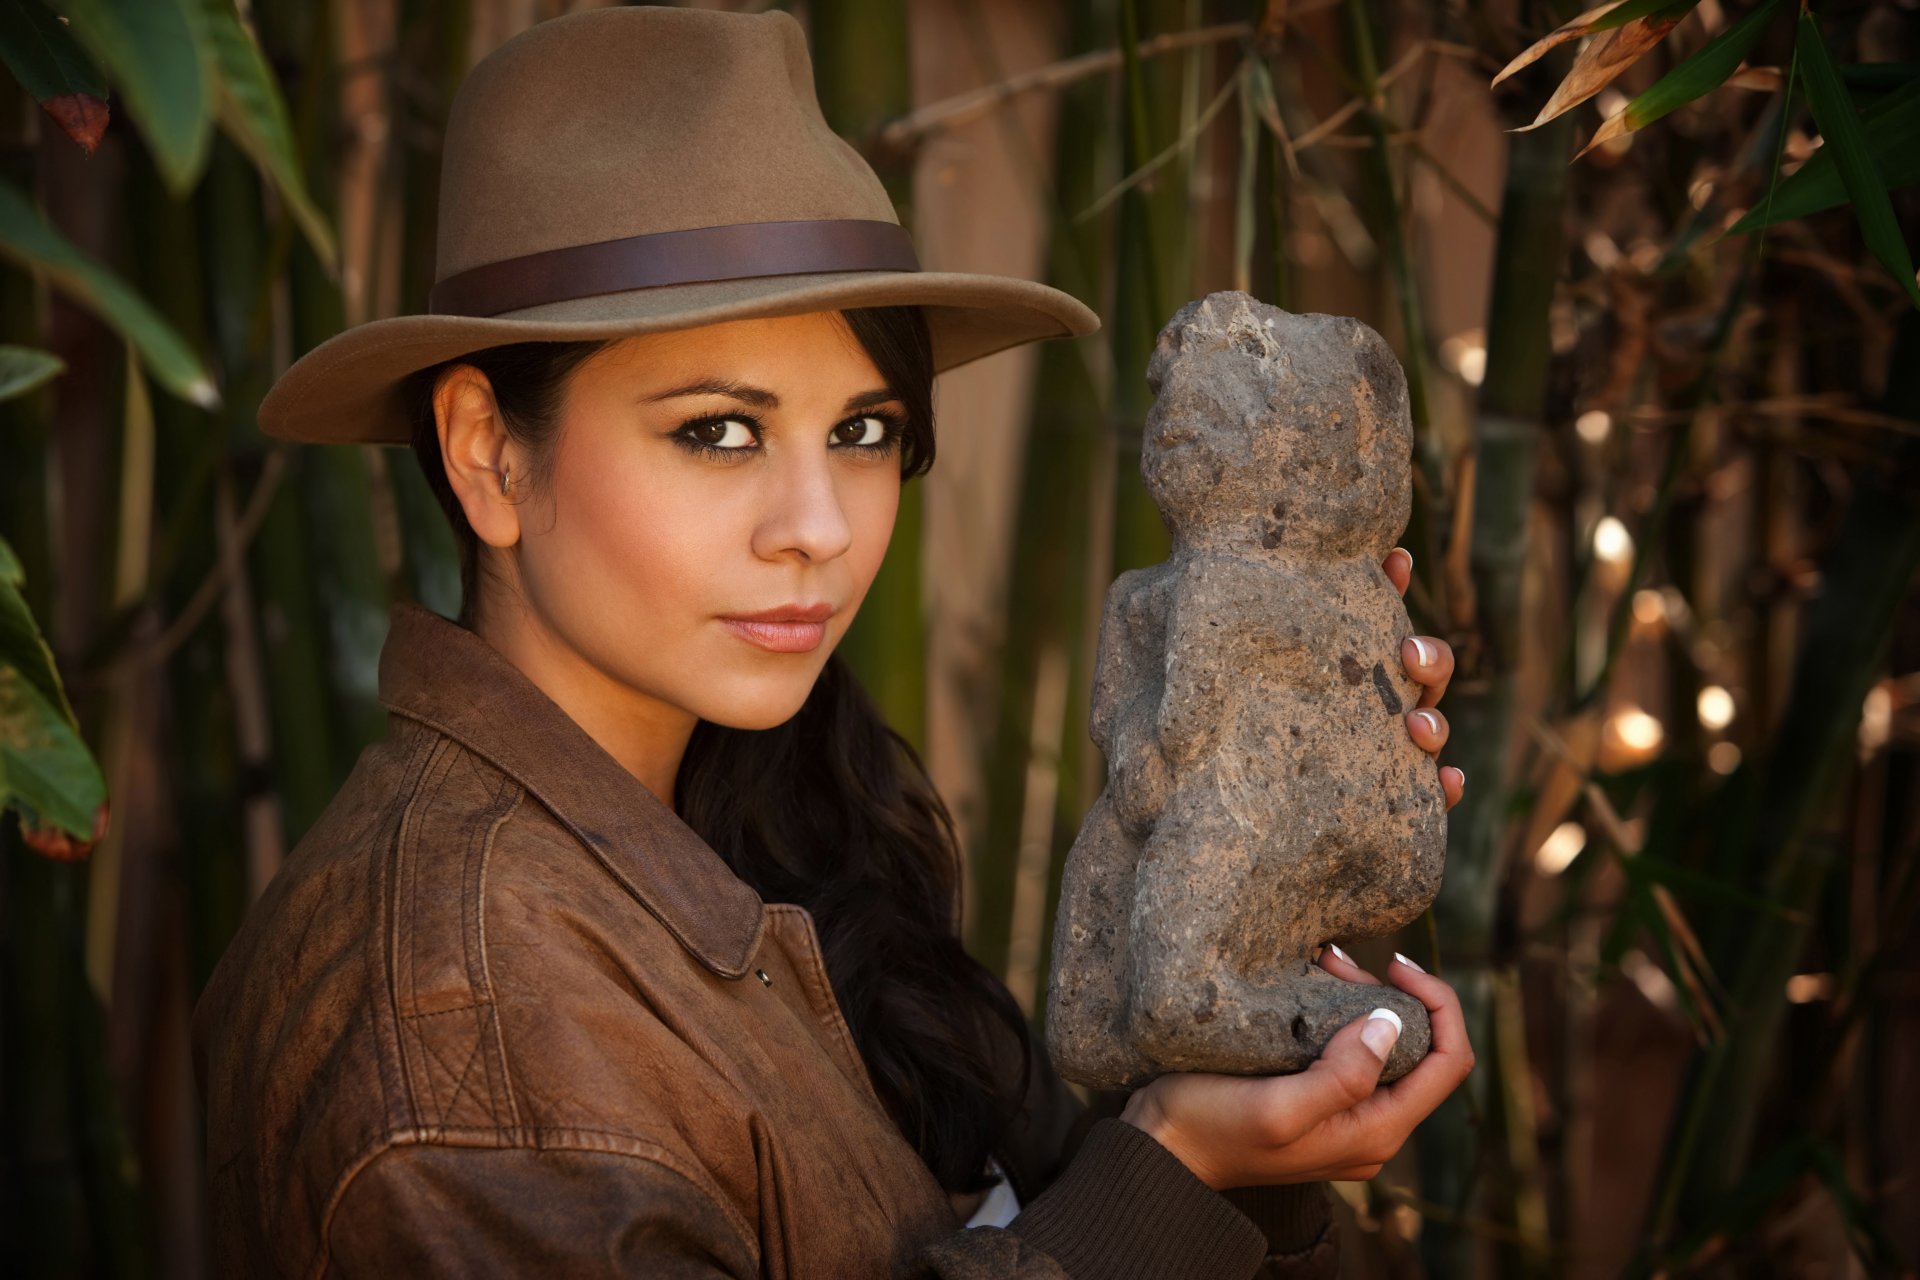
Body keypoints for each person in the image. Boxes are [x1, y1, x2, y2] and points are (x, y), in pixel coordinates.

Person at [192, 7, 1474, 1278]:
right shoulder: (459, 1038)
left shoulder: (775, 819)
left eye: (861, 430)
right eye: (718, 431)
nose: (819, 529)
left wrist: (1249, 977)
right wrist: (1169, 1181)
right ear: (487, 452)